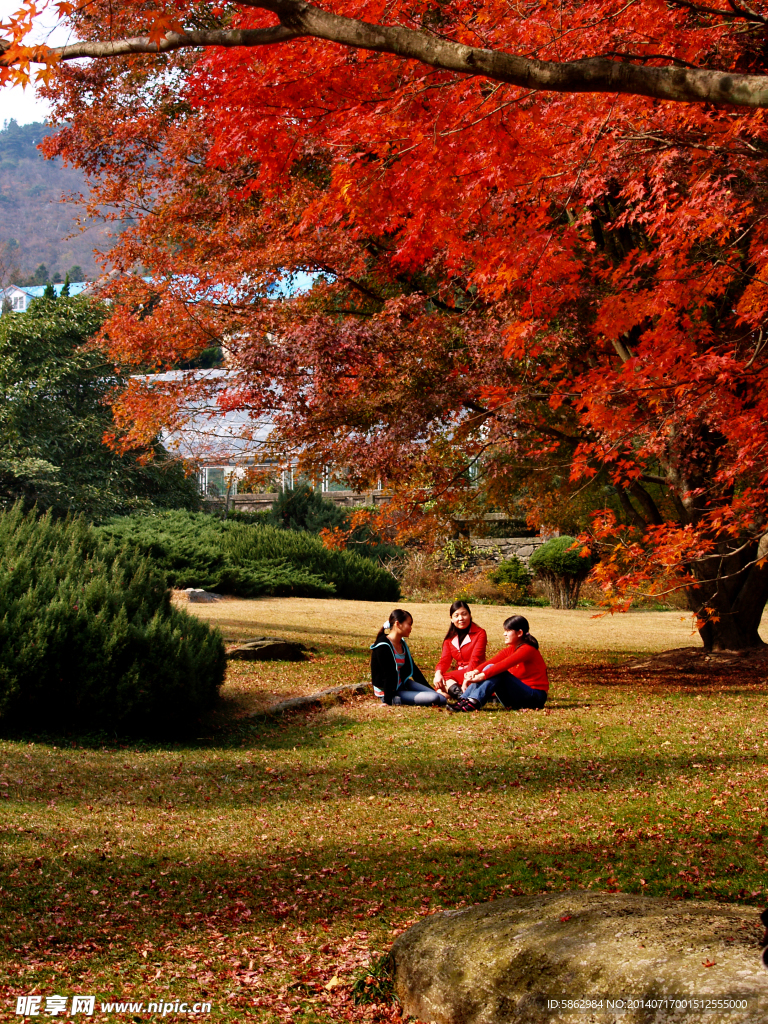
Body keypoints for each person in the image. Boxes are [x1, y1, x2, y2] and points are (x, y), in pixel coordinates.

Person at [449, 614, 548, 712]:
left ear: (519, 633)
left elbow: (503, 665)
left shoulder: (527, 649)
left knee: (498, 671)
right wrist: (474, 672)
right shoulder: (511, 649)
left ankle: (473, 701)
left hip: (535, 698)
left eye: (508, 631)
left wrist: (481, 676)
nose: (504, 634)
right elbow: (491, 662)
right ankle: (464, 699)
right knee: (490, 666)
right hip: (517, 698)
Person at [370, 609, 447, 707]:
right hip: (391, 691)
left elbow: (414, 670)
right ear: (398, 624)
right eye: (409, 624)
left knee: (442, 699)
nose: (411, 628)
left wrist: (431, 690)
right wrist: (387, 701)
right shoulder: (383, 646)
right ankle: (396, 700)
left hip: (402, 683)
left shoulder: (402, 643)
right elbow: (387, 675)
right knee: (435, 698)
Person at [433, 600, 487, 701]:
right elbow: (444, 660)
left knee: (445, 679)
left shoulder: (480, 633)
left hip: (475, 671)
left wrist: (467, 678)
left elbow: (475, 659)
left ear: (470, 615)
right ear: (451, 619)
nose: (461, 618)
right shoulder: (449, 638)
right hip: (459, 675)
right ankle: (461, 695)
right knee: (440, 680)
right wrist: (438, 673)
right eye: (456, 615)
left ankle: (460, 697)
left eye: (464, 614)